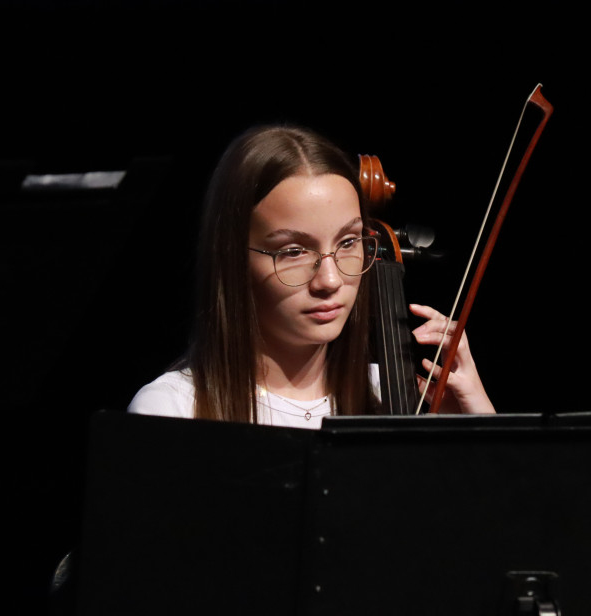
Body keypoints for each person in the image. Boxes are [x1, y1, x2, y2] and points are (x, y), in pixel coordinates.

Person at [127, 124, 495, 428]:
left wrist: (477, 420)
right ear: (233, 258)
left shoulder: (396, 399)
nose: (330, 281)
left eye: (349, 242)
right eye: (294, 251)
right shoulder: (174, 410)